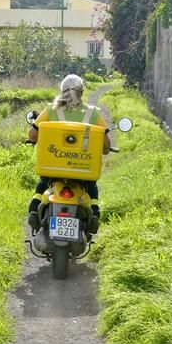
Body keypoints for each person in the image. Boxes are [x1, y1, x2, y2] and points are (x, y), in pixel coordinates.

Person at [27, 74, 111, 235]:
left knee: (43, 184)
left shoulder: (51, 110)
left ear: (62, 91)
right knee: (91, 188)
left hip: (53, 167)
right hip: (83, 169)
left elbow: (32, 135)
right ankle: (94, 214)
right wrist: (105, 150)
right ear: (82, 92)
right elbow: (106, 144)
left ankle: (33, 212)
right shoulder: (93, 113)